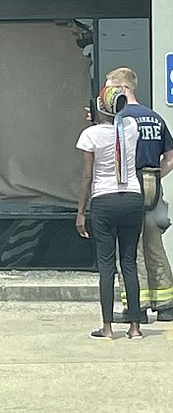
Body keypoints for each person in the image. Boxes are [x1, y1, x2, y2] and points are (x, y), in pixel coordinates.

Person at [76, 85, 144, 339]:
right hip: (133, 197)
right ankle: (135, 326)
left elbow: (86, 176)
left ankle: (107, 326)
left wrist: (81, 211)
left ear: (99, 108)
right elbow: (118, 124)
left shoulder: (89, 135)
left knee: (106, 265)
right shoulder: (131, 129)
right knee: (129, 262)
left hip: (104, 199)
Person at [105, 67, 173, 323]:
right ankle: (166, 305)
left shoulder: (121, 119)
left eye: (109, 88)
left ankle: (137, 308)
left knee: (131, 247)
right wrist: (155, 176)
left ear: (122, 89)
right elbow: (170, 157)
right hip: (154, 184)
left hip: (131, 185)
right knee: (154, 244)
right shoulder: (155, 117)